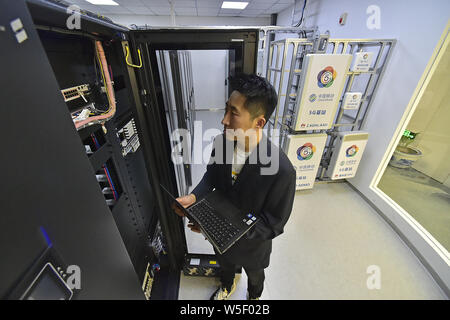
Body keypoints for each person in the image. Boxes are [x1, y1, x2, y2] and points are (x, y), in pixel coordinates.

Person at [173, 73, 296, 300]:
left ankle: (254, 296)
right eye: (226, 109)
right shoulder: (223, 142)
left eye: (234, 113)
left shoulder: (281, 171)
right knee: (225, 266)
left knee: (255, 276)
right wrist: (194, 196)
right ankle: (227, 285)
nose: (224, 120)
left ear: (259, 122)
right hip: (221, 241)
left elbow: (273, 225)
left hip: (253, 247)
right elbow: (211, 176)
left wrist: (230, 231)